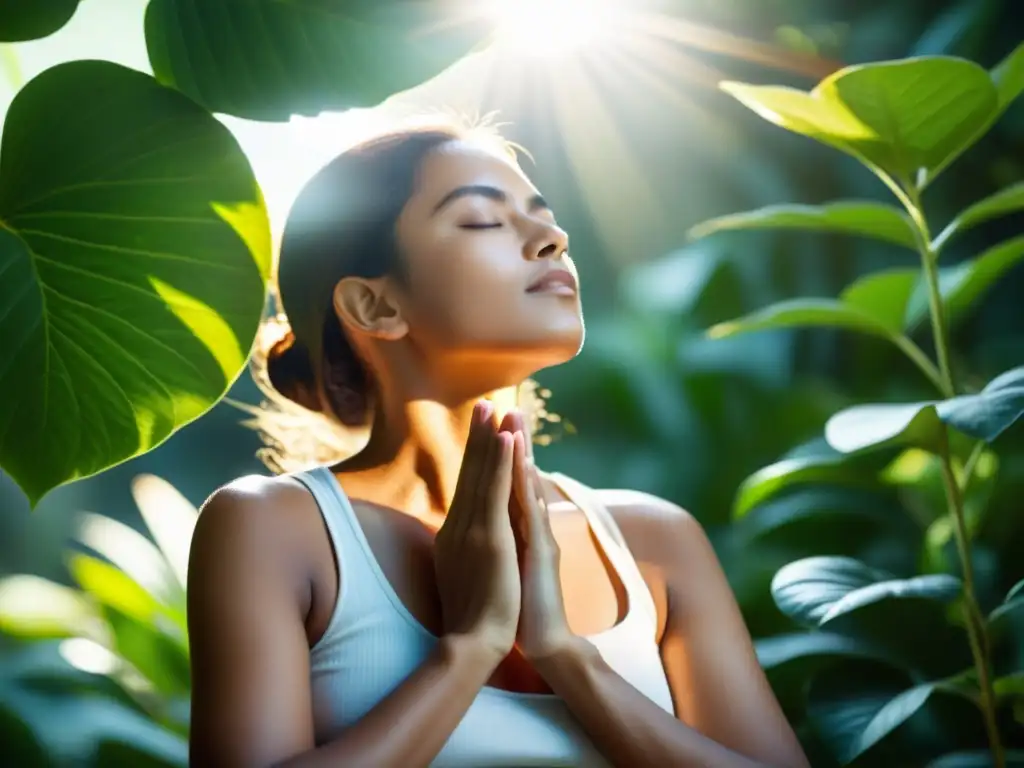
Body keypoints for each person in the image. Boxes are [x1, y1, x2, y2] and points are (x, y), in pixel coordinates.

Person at [186, 120, 810, 768]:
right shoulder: (276, 530)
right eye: (484, 219)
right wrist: (468, 651)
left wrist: (567, 658)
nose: (552, 239)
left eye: (544, 217)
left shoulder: (654, 541)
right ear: (375, 306)